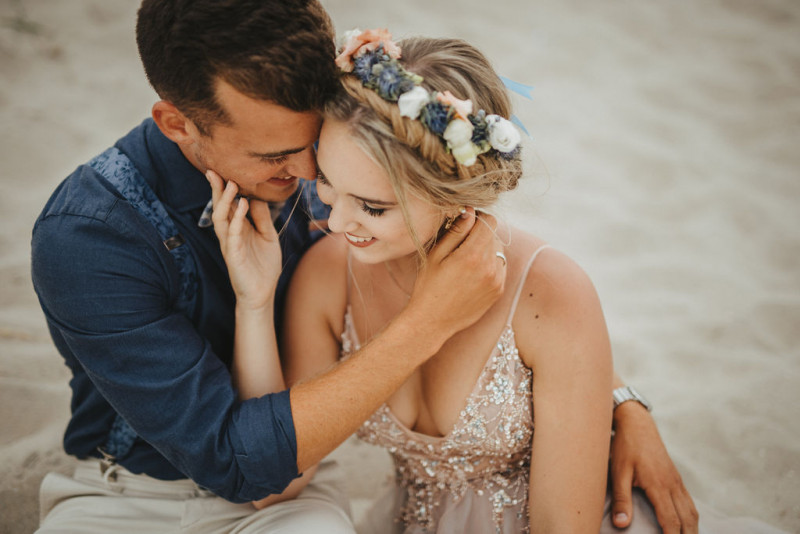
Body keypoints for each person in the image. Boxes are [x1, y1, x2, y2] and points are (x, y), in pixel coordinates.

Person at [30, 1, 695, 532]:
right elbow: (244, 464)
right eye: (277, 158)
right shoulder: (88, 238)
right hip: (132, 491)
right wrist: (425, 321)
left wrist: (617, 400)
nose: (309, 184)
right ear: (176, 123)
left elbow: (530, 300)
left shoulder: (341, 169)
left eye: (313, 148)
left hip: (297, 497)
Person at [210, 29, 705, 533]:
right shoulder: (328, 275)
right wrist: (255, 302)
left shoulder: (551, 294)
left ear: (455, 194)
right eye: (327, 184)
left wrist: (625, 403)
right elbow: (273, 487)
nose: (335, 223)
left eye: (373, 208)